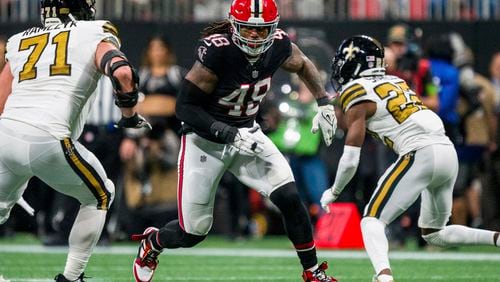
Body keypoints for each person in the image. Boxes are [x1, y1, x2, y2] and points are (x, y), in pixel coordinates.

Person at [131, 0, 337, 282]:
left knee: (289, 197)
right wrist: (223, 131)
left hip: (248, 134)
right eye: (248, 29)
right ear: (234, 26)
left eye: (261, 29)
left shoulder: (277, 44)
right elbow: (185, 108)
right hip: (204, 141)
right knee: (191, 232)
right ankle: (153, 243)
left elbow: (303, 64)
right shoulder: (218, 51)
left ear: (272, 29)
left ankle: (312, 272)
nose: (254, 35)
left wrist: (324, 102)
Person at [320, 35, 500, 282]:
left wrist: (334, 191)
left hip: (419, 152)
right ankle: (497, 238)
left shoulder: (355, 90)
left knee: (371, 220)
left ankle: (384, 277)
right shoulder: (395, 80)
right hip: (446, 150)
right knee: (435, 233)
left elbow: (351, 158)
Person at [0, 1, 151, 281]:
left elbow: (0, 100)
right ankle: (71, 277)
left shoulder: (20, 40)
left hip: (5, 135)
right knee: (101, 195)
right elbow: (123, 72)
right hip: (48, 136)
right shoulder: (93, 32)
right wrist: (129, 117)